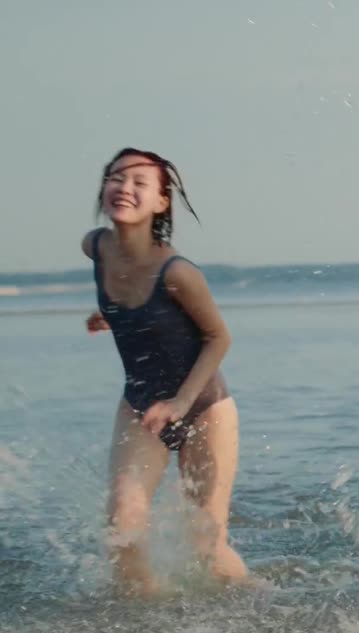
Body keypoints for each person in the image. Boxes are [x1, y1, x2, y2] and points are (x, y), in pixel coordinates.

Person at [84, 148, 248, 596]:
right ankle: (146, 617)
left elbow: (219, 338)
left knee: (206, 548)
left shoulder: (178, 273)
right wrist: (111, 314)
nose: (125, 187)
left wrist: (179, 402)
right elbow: (131, 300)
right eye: (116, 177)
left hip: (203, 407)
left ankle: (264, 604)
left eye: (140, 182)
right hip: (140, 406)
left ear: (161, 203)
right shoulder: (95, 246)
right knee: (123, 523)